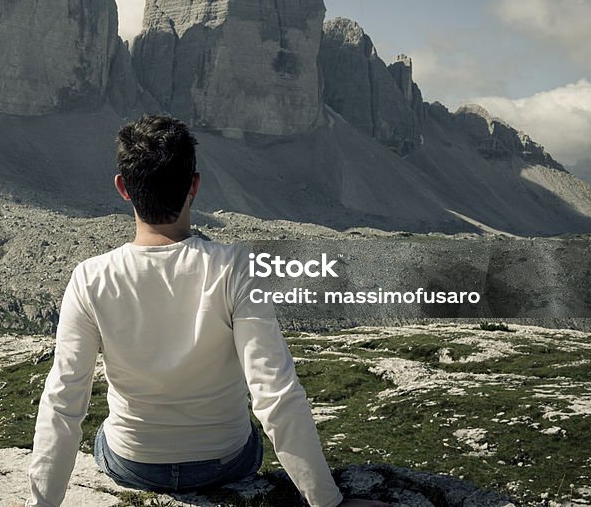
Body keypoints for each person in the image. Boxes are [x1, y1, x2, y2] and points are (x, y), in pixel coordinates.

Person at [20, 115, 388, 507]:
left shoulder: (89, 278)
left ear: (123, 188)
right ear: (194, 185)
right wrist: (327, 502)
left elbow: (63, 402)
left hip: (134, 464)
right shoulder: (236, 268)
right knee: (246, 432)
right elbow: (276, 395)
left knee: (104, 436)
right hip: (225, 462)